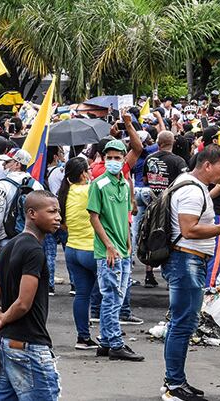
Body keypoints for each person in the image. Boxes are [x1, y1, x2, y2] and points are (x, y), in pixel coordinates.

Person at [161, 144, 220, 401]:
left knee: (183, 323)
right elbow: (189, 230)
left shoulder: (191, 184)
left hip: (188, 261)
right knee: (183, 324)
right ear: (207, 165)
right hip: (186, 261)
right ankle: (174, 385)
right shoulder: (193, 192)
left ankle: (176, 380)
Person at [0, 190, 62, 401]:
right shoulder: (34, 251)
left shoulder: (6, 248)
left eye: (59, 212)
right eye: (52, 211)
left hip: (7, 344)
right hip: (28, 345)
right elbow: (23, 304)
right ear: (32, 213)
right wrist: (3, 318)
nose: (58, 217)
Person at [86, 139, 143, 361]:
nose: (112, 161)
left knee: (116, 298)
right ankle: (116, 343)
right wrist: (109, 245)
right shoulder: (99, 184)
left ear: (123, 159)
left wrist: (128, 243)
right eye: (108, 157)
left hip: (123, 249)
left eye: (117, 158)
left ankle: (107, 341)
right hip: (108, 251)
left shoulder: (125, 184)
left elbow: (125, 218)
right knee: (111, 297)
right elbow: (94, 217)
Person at [57, 157, 98, 350]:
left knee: (82, 295)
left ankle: (83, 337)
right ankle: (109, 335)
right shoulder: (89, 191)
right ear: (83, 174)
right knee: (109, 294)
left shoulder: (64, 193)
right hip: (92, 249)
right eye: (88, 170)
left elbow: (62, 224)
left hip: (72, 249)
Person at [142, 130, 187, 288]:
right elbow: (185, 182)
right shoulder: (179, 161)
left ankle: (149, 274)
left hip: (152, 203)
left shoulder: (149, 158)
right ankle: (170, 278)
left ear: (158, 143)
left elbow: (145, 179)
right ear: (173, 142)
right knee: (171, 238)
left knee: (150, 236)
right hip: (170, 205)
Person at [0, 150, 43, 244]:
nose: (3, 165)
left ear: (17, 164)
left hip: (7, 239)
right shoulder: (37, 186)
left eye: (8, 162)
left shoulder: (1, 185)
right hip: (31, 239)